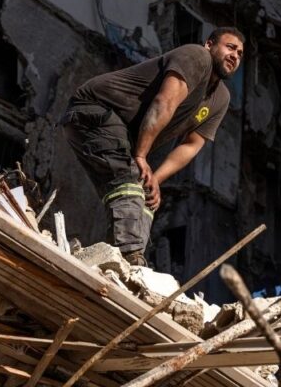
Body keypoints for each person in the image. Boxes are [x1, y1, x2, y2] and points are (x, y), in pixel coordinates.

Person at [61, 27, 245, 265]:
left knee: (146, 196)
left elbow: (191, 144)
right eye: (230, 47)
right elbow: (164, 102)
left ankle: (118, 262)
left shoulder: (221, 98)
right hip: (95, 110)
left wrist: (155, 179)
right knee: (129, 182)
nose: (235, 56)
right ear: (209, 44)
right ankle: (128, 258)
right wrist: (140, 155)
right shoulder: (197, 56)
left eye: (240, 53)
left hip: (123, 135)